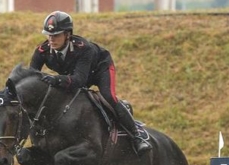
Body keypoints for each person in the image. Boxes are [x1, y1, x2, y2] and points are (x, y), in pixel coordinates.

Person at [29, 11, 152, 156]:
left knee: (108, 97)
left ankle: (137, 136)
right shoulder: (42, 51)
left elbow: (79, 81)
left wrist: (56, 79)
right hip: (75, 74)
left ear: (67, 35)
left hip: (100, 69)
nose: (51, 39)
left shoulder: (84, 48)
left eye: (56, 35)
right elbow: (31, 76)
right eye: (49, 35)